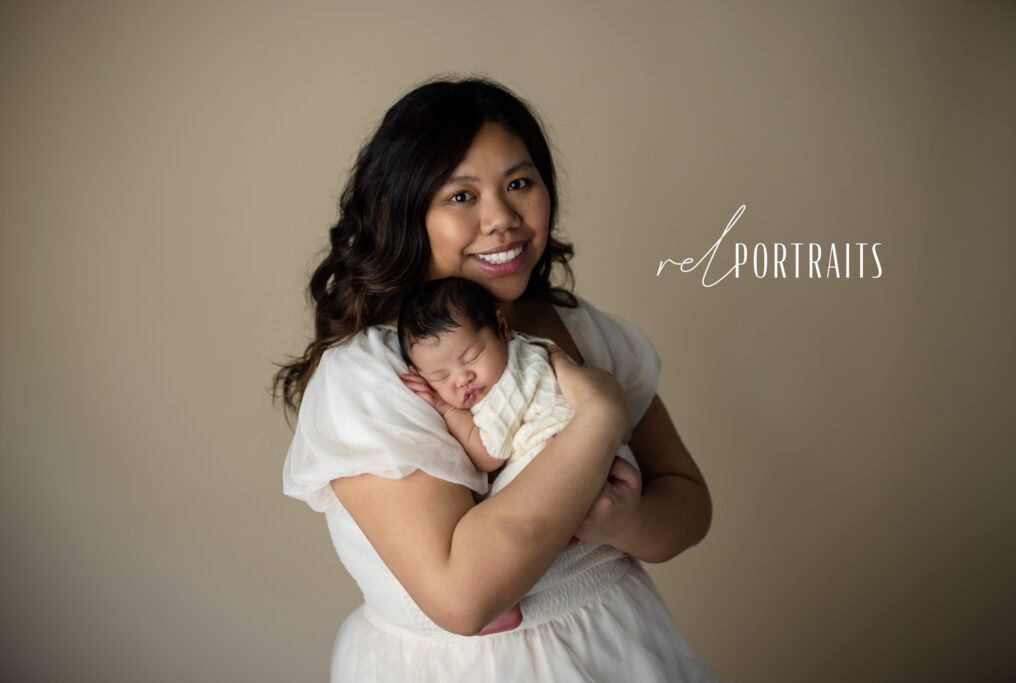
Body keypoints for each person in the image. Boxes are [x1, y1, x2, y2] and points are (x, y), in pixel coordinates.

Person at [276, 76, 718, 682]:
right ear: (405, 213)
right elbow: (464, 597)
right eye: (461, 197)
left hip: (623, 645)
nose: (502, 219)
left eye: (519, 183)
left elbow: (689, 500)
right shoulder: (372, 376)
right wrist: (600, 416)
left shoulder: (581, 329)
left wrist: (630, 523)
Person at [397, 276, 637, 497]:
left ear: (502, 328)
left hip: (579, 461)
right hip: (594, 465)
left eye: (473, 357)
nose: (462, 379)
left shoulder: (512, 376)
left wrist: (446, 409)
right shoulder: (524, 354)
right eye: (441, 377)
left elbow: (490, 454)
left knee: (497, 507)